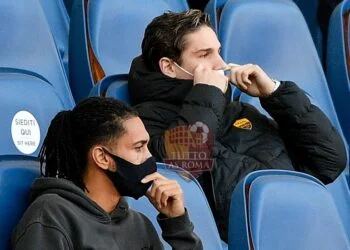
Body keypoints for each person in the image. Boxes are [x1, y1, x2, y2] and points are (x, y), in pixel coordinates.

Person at [128, 10, 347, 241]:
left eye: (219, 52)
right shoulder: (142, 122)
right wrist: (207, 93)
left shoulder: (239, 110)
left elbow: (330, 161)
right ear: (169, 67)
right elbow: (184, 166)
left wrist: (274, 93)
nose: (220, 63)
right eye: (205, 54)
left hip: (300, 232)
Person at [12, 97, 203, 249]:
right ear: (102, 157)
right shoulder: (51, 216)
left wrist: (178, 224)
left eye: (148, 147)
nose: (149, 157)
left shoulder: (139, 225)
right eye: (139, 148)